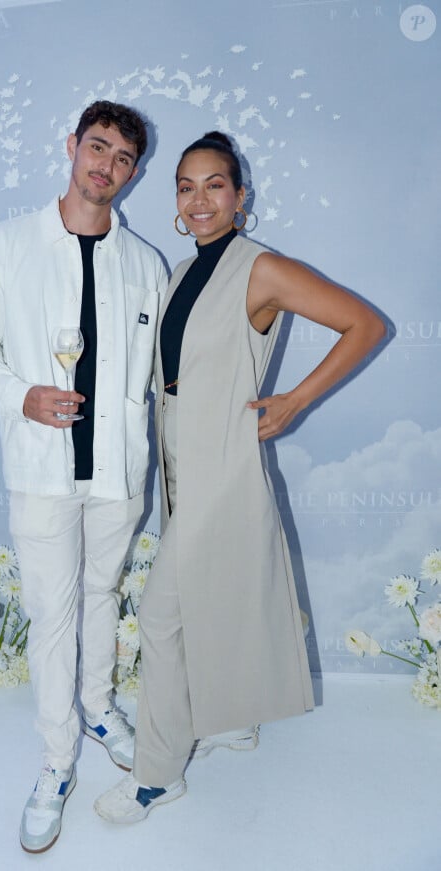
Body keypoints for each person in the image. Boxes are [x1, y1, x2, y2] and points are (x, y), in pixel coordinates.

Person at [95, 131, 385, 823]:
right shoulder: (183, 269)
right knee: (212, 595)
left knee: (163, 614)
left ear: (240, 196)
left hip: (221, 467)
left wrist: (296, 399)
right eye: (186, 186)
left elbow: (364, 324)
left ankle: (158, 774)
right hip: (178, 468)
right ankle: (232, 718)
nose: (199, 199)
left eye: (214, 185)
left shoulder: (260, 268)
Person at [0, 101, 167, 852]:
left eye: (123, 159)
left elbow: (161, 376)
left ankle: (100, 707)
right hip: (40, 471)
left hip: (115, 472)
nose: (105, 167)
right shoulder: (7, 247)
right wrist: (23, 397)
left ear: (132, 173)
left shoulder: (145, 266)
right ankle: (56, 758)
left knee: (102, 592)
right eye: (97, 148)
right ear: (72, 146)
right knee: (53, 612)